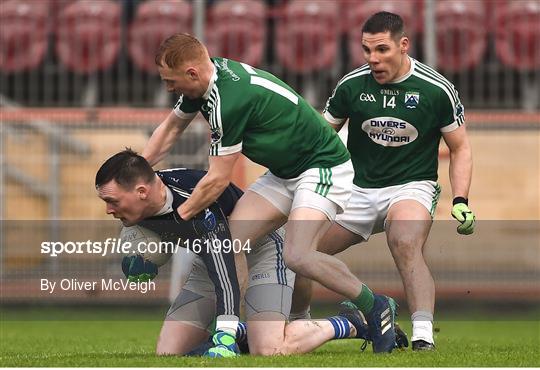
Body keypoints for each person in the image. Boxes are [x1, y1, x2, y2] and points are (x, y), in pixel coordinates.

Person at [143, 33, 397, 353]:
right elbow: (169, 130)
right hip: (284, 173)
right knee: (229, 242)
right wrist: (135, 171)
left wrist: (175, 219)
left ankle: (376, 306)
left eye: (170, 81)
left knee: (298, 254)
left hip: (323, 167)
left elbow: (217, 180)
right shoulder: (207, 81)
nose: (168, 88)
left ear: (192, 73)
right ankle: (231, 330)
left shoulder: (228, 100)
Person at [291, 11, 476, 351]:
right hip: (355, 190)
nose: (373, 59)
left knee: (404, 241)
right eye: (366, 50)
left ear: (403, 45)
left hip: (411, 185)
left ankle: (423, 337)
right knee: (299, 251)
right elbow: (319, 138)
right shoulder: (351, 85)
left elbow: (460, 148)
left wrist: (460, 200)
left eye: (381, 50)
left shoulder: (437, 89)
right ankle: (298, 325)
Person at [95, 149, 384, 357]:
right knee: (169, 353)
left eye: (111, 201)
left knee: (270, 350)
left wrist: (225, 332)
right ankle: (247, 331)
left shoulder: (199, 203)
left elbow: (228, 271)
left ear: (142, 191)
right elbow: (163, 235)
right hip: (209, 262)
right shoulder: (140, 204)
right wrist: (136, 260)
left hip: (261, 252)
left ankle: (348, 324)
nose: (108, 209)